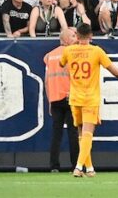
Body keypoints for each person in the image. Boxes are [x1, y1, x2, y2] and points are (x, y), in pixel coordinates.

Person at [59, 23, 118, 177]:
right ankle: (78, 167)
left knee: (81, 132)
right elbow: (112, 68)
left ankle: (90, 168)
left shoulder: (68, 50)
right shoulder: (96, 51)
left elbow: (61, 64)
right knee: (88, 132)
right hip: (90, 98)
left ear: (77, 36)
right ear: (91, 36)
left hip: (74, 98)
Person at [44, 28, 78, 172]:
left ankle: (54, 166)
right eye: (72, 35)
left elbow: (46, 80)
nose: (75, 37)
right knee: (73, 132)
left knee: (56, 134)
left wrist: (49, 101)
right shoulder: (72, 54)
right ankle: (76, 164)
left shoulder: (50, 56)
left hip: (55, 98)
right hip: (70, 97)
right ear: (64, 39)